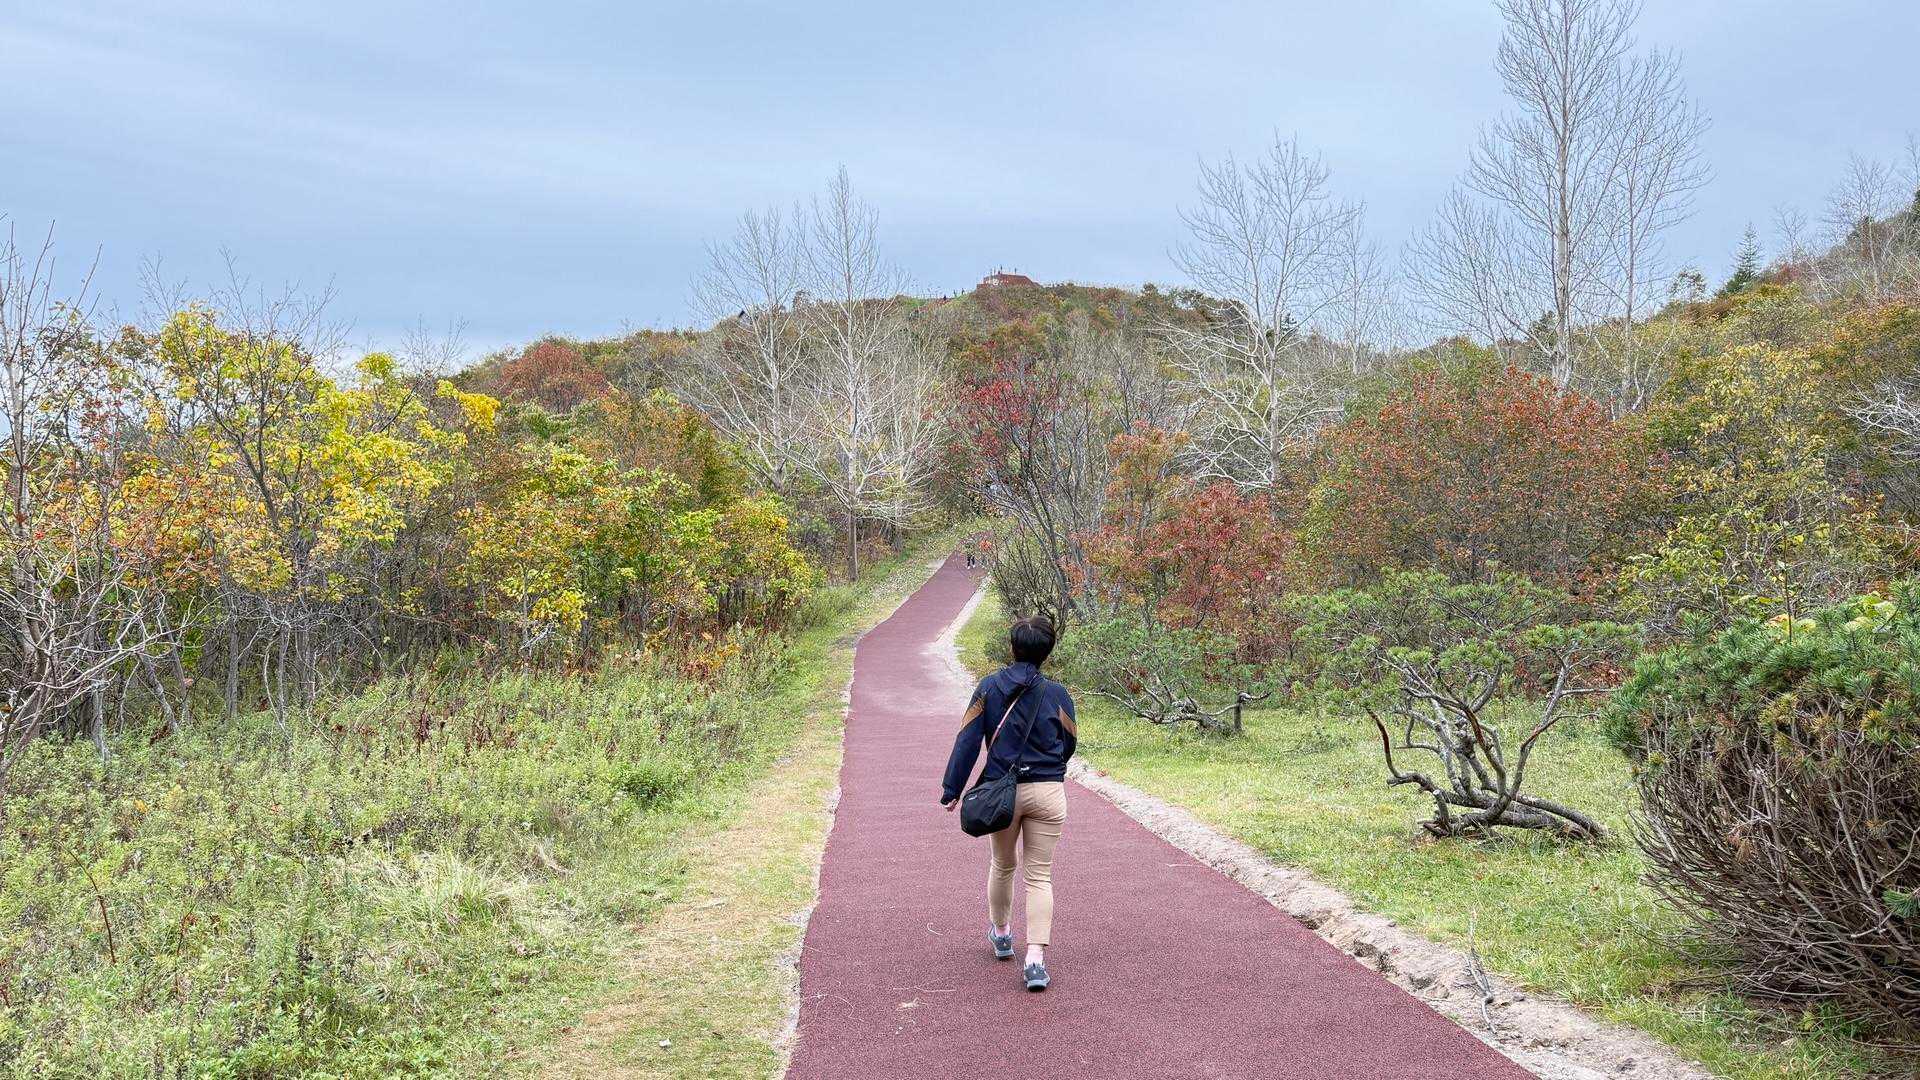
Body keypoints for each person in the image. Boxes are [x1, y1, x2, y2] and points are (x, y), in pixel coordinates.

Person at [940, 615, 1077, 991]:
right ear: (1047, 652)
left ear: (1012, 648)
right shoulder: (1057, 694)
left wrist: (953, 789)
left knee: (1002, 864)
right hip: (1047, 791)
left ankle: (1002, 935)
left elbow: (968, 739)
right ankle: (1035, 960)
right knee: (1039, 876)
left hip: (1003, 792)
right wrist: (1050, 768)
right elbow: (1068, 742)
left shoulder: (988, 688)